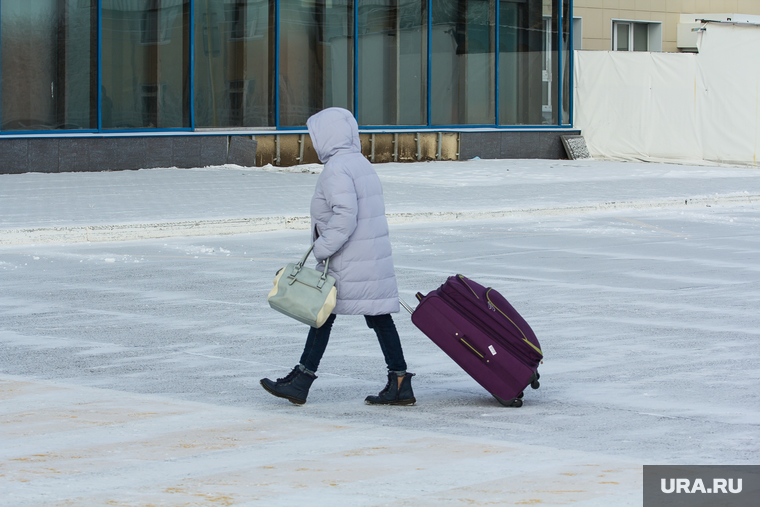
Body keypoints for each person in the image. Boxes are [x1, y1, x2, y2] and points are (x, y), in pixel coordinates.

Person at [260, 107, 415, 406]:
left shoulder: (337, 168)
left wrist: (320, 249)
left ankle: (302, 380)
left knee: (322, 316)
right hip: (369, 259)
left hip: (348, 261)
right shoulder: (360, 163)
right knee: (374, 317)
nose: (312, 142)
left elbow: (345, 217)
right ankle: (399, 381)